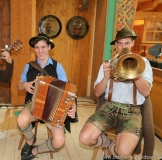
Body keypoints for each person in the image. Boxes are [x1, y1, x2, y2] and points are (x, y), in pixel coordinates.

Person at [79, 27, 153, 159]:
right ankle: (111, 146)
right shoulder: (108, 64)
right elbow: (97, 93)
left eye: (126, 43)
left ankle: (111, 149)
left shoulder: (143, 63)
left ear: (132, 43)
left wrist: (135, 73)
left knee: (124, 152)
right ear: (116, 45)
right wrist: (106, 77)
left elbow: (146, 92)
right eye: (119, 43)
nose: (123, 47)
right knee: (85, 138)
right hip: (110, 107)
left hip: (132, 110)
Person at [17, 33, 77, 160]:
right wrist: (25, 85)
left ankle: (36, 150)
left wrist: (73, 106)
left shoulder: (57, 66)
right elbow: (19, 85)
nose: (40, 51)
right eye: (37, 47)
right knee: (21, 120)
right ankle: (30, 140)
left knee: (59, 141)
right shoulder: (29, 66)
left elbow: (68, 89)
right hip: (34, 104)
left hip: (52, 107)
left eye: (43, 47)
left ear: (49, 47)